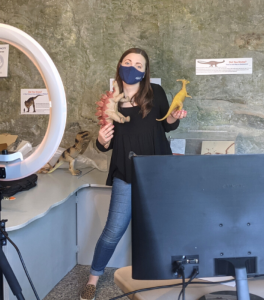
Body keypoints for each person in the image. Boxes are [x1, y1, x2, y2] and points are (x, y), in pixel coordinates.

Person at [80, 48, 187, 300]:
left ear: (145, 71)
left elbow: (167, 125)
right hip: (125, 171)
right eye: (128, 62)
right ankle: (93, 279)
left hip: (157, 171)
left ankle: (164, 277)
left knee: (160, 227)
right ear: (119, 66)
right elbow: (104, 143)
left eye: (139, 64)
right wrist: (100, 140)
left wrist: (173, 117)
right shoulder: (110, 101)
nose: (133, 67)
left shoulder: (156, 93)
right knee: (113, 230)